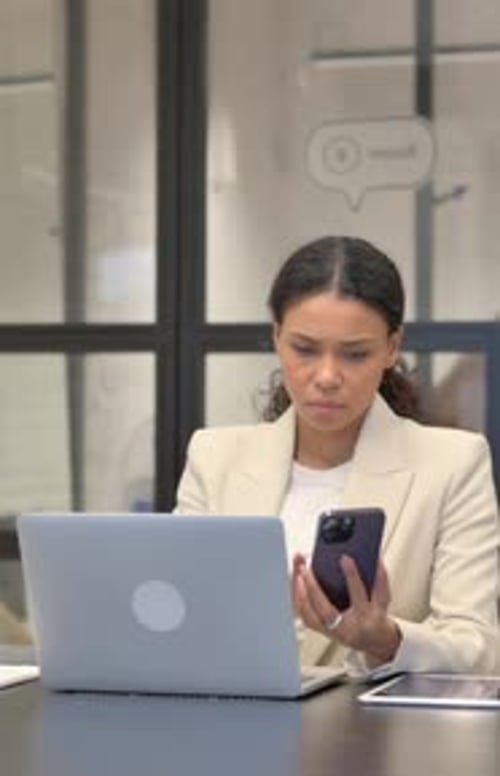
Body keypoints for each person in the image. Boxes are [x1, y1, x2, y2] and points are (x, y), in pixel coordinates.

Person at [175, 235, 500, 678]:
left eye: (355, 354)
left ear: (391, 348)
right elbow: (179, 611)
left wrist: (385, 638)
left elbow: (478, 649)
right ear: (277, 338)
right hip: (230, 728)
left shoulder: (453, 463)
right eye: (304, 349)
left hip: (375, 740)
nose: (327, 376)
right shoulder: (214, 458)